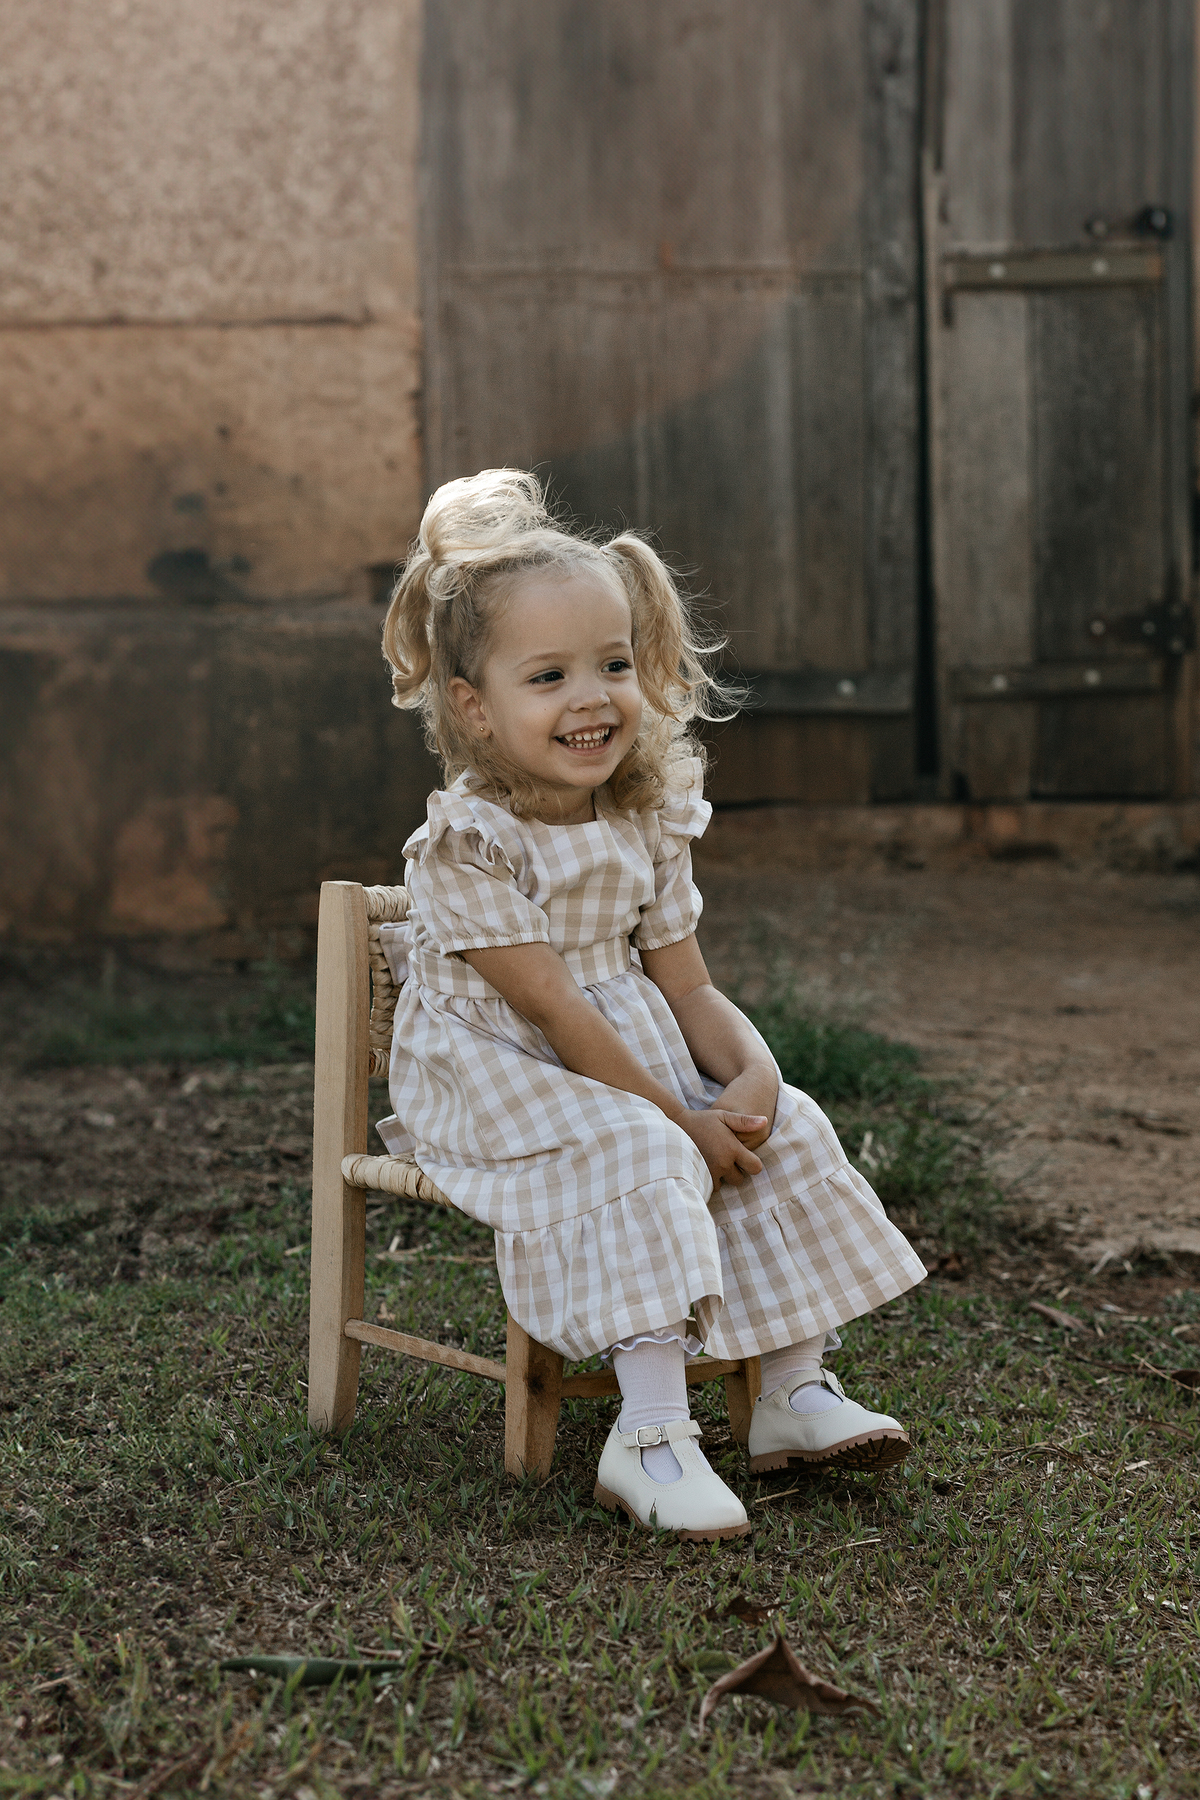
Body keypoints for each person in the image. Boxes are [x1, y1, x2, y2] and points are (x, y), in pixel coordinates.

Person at [374, 469, 927, 1542]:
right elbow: (558, 1015)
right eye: (549, 676)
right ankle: (652, 1435)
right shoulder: (466, 845)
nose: (592, 698)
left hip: (624, 1059)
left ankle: (792, 1389)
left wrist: (752, 1076)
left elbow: (688, 984)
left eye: (614, 664)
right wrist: (680, 1119)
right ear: (474, 705)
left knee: (783, 1124)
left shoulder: (647, 818)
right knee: (645, 1149)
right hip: (495, 1072)